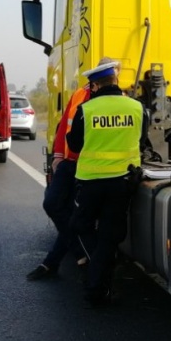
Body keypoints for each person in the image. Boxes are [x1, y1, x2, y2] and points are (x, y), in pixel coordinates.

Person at [27, 57, 119, 282]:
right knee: (52, 203)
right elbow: (63, 126)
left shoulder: (118, 100)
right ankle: (79, 253)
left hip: (89, 166)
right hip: (68, 162)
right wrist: (58, 155)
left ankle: (52, 262)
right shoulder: (78, 94)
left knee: (74, 214)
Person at [66, 61, 146, 306]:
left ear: (95, 84)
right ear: (116, 80)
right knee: (110, 236)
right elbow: (142, 143)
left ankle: (95, 284)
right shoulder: (137, 107)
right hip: (123, 182)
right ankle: (101, 280)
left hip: (91, 182)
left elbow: (75, 145)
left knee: (81, 225)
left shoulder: (86, 109)